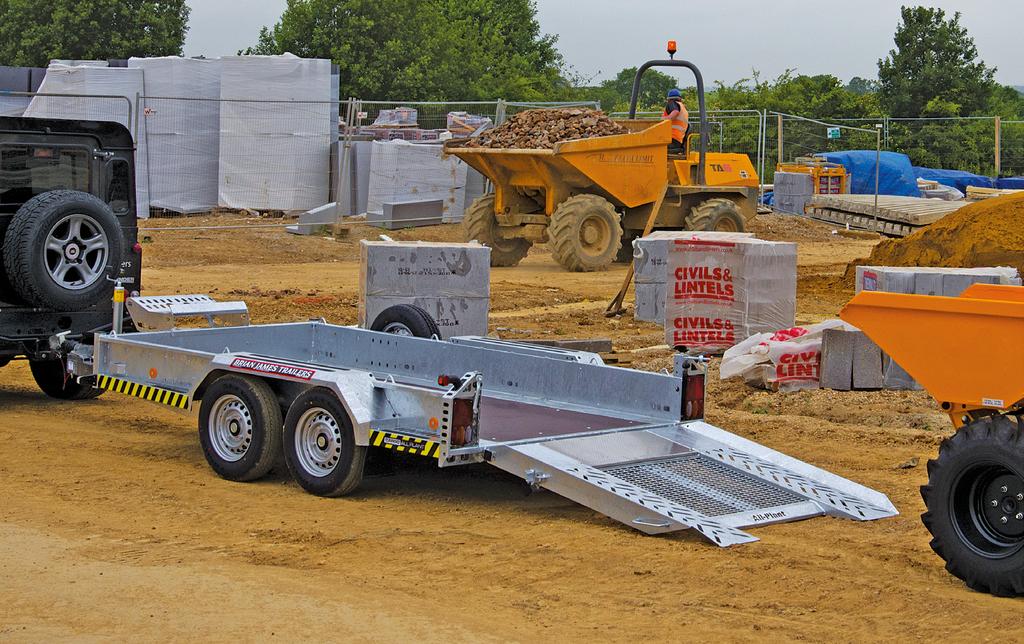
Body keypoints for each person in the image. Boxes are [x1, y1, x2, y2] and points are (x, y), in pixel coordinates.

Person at [662, 88, 689, 153]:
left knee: (648, 144)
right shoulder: (683, 108)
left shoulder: (672, 103)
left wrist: (664, 120)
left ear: (669, 99)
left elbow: (675, 112)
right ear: (680, 98)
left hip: (671, 139)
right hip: (678, 141)